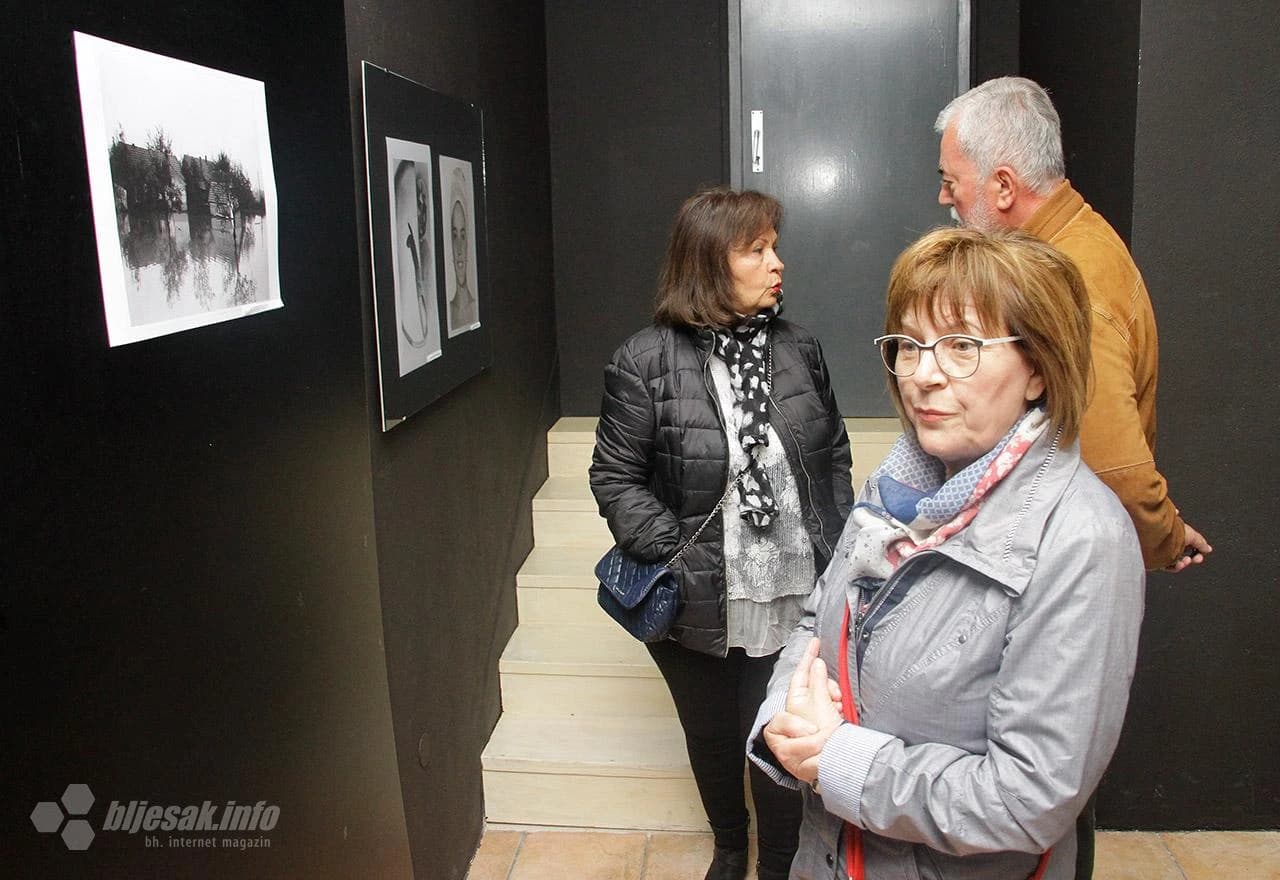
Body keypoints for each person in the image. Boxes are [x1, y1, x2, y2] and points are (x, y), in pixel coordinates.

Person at [748, 228, 1145, 880]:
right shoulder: (899, 482)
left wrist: (837, 759)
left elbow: (1029, 799)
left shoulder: (1082, 541)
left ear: (1041, 370)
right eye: (909, 344)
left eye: (962, 346)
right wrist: (784, 722)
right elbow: (815, 619)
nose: (922, 374)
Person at [590, 187, 854, 880]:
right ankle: (730, 849)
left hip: (796, 591)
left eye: (775, 245)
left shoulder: (803, 351)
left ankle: (777, 865)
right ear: (709, 263)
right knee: (710, 738)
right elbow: (614, 478)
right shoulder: (644, 360)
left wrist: (839, 547)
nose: (778, 263)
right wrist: (673, 555)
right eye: (756, 249)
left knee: (779, 739)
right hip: (699, 597)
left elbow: (833, 458)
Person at [933, 76, 1210, 575]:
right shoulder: (1060, 248)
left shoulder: (1071, 282)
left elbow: (1114, 470)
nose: (943, 197)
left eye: (952, 182)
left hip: (1061, 570)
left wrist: (1163, 536)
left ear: (1002, 187)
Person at [446, 166, 479, 334]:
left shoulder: (475, 307)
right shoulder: (449, 310)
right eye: (454, 235)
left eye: (463, 235)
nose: (459, 249)